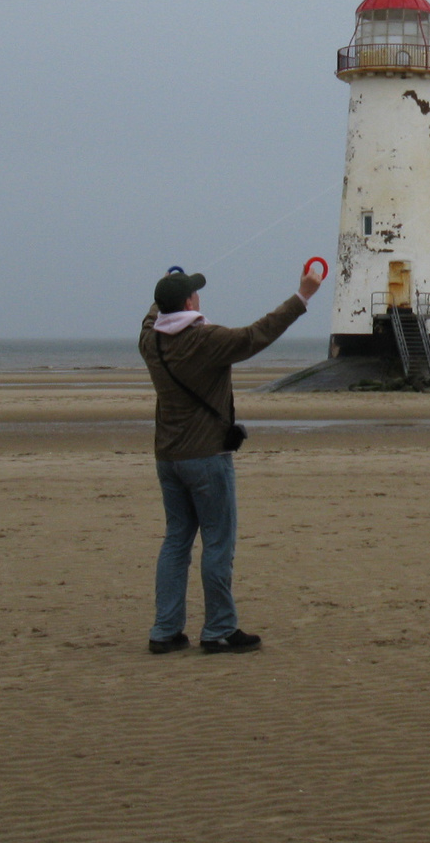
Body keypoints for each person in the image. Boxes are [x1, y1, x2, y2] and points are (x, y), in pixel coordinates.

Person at [139, 263, 321, 654]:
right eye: (193, 292)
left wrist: (169, 283)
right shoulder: (205, 340)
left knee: (176, 540)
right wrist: (302, 295)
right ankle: (219, 628)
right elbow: (258, 335)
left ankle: (165, 631)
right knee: (218, 542)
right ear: (189, 302)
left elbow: (153, 314)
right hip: (205, 457)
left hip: (168, 457)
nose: (198, 296)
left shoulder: (149, 341)